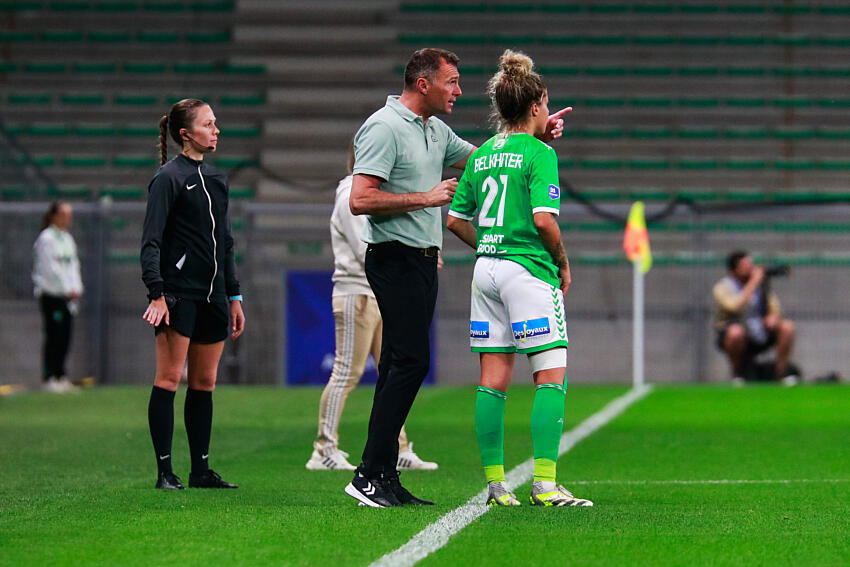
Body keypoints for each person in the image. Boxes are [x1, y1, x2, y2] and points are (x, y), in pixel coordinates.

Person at [344, 47, 570, 508]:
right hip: (395, 255)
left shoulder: (437, 130)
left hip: (439, 259)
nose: (459, 90)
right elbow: (359, 199)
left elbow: (489, 160)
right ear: (423, 83)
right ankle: (370, 472)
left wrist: (536, 131)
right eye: (451, 81)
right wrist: (424, 197)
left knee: (407, 365)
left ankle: (384, 473)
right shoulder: (384, 127)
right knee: (410, 364)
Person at [447, 49, 592, 507]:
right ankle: (546, 485)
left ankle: (495, 484)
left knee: (493, 380)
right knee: (550, 377)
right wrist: (563, 263)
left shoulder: (483, 153)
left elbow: (454, 220)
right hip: (527, 272)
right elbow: (545, 221)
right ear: (536, 105)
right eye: (546, 106)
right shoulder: (541, 153)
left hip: (484, 270)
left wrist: (492, 244)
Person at [306, 146, 438, 472]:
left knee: (393, 373)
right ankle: (323, 448)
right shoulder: (350, 195)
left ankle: (399, 446)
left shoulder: (369, 195)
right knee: (345, 373)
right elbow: (366, 247)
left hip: (378, 293)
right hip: (357, 292)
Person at [141, 98, 246, 490]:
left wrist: (233, 296)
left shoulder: (217, 181)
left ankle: (200, 471)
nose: (216, 130)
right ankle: (165, 472)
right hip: (178, 295)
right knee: (169, 380)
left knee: (204, 383)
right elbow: (150, 241)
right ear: (186, 133)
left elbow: (227, 244)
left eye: (216, 123)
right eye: (209, 124)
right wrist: (157, 293)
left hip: (214, 298)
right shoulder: (167, 178)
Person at [713, 251, 796, 384]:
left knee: (787, 327)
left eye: (751, 264)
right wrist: (753, 282)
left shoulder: (762, 285)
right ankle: (737, 375)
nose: (751, 268)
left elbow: (774, 306)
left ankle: (781, 373)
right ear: (734, 271)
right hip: (737, 334)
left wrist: (773, 316)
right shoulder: (723, 287)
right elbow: (734, 306)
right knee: (735, 332)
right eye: (745, 266)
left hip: (761, 330)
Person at [32, 201, 83, 393]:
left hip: (68, 297)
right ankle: (49, 376)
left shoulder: (67, 238)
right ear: (54, 215)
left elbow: (73, 266)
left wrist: (76, 287)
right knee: (53, 335)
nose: (67, 219)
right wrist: (65, 288)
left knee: (65, 336)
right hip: (52, 295)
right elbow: (49, 269)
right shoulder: (47, 239)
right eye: (64, 214)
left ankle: (61, 374)